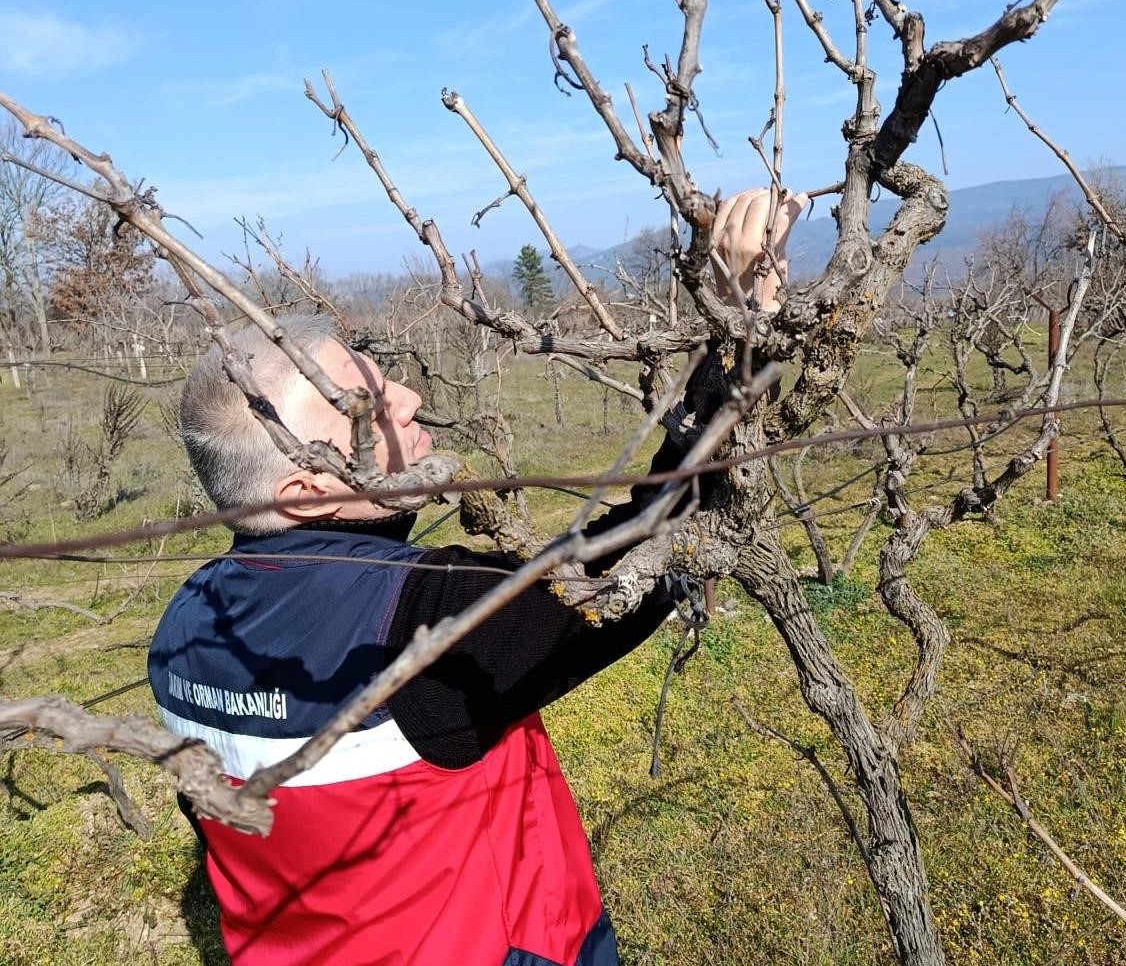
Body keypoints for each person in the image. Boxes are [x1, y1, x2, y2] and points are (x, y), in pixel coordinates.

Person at [148, 190, 797, 966]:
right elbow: (651, 545)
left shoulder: (178, 636)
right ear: (307, 489)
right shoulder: (416, 620)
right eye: (366, 406)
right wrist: (736, 325)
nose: (410, 399)